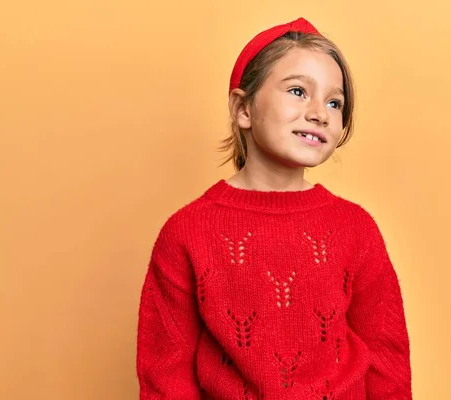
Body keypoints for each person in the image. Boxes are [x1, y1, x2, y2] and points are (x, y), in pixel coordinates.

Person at [136, 17, 412, 399]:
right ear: (243, 109)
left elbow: (387, 358)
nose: (320, 112)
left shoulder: (356, 227)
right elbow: (165, 375)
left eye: (335, 102)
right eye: (298, 91)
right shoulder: (186, 232)